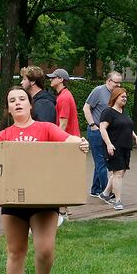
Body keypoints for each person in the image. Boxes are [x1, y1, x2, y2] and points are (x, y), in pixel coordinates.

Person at [0, 87, 89, 274]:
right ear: (8, 109)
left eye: (22, 99)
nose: (17, 103)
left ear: (30, 105)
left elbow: (68, 140)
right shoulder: (3, 135)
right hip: (13, 202)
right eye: (12, 100)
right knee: (16, 250)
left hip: (44, 201)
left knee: (45, 249)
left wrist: (80, 142)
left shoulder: (46, 128)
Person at [98, 87, 137, 210]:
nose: (125, 98)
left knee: (120, 173)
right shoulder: (108, 112)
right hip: (114, 147)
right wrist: (108, 144)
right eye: (122, 96)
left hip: (126, 147)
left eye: (126, 97)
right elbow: (102, 128)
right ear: (115, 97)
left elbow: (128, 127)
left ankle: (105, 194)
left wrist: (135, 137)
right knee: (117, 173)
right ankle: (118, 201)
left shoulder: (123, 112)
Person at [48, 68, 80, 224]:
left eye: (53, 77)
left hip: (67, 144)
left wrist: (56, 145)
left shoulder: (64, 98)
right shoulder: (63, 96)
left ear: (61, 79)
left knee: (61, 177)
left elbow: (63, 124)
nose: (50, 80)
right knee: (63, 176)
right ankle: (65, 209)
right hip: (69, 142)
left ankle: (62, 212)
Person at [83, 72, 123, 197]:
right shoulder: (99, 91)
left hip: (107, 132)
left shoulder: (115, 94)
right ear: (108, 81)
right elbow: (86, 108)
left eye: (120, 82)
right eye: (116, 82)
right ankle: (108, 192)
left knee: (101, 162)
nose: (118, 85)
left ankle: (95, 189)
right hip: (96, 132)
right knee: (102, 163)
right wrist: (92, 125)